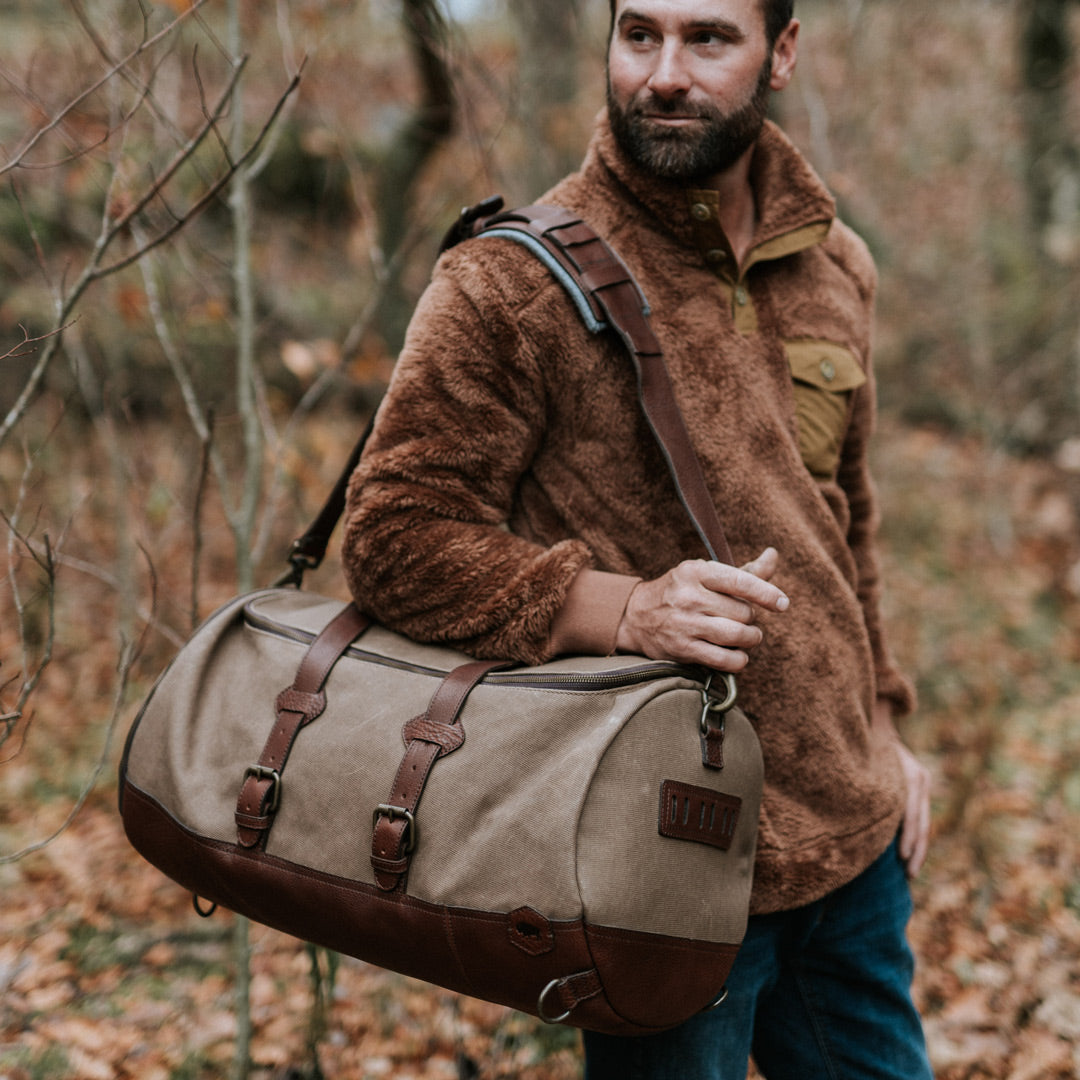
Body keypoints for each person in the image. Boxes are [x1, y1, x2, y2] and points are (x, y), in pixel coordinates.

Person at [341, 0, 934, 1075]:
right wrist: (627, 609)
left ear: (782, 53)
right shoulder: (509, 282)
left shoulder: (835, 264)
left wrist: (885, 723)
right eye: (639, 34)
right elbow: (390, 539)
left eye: (708, 37)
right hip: (662, 859)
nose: (664, 73)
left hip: (854, 847)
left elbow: (846, 517)